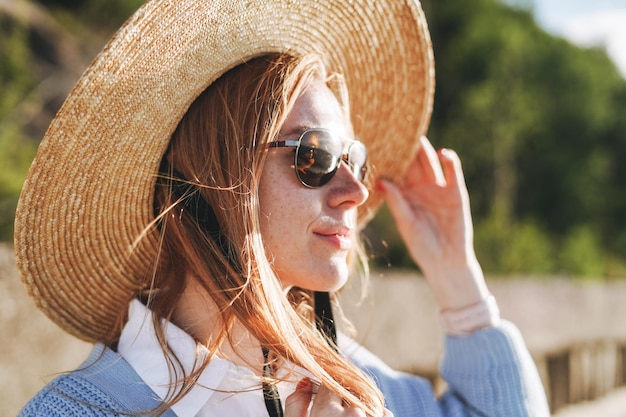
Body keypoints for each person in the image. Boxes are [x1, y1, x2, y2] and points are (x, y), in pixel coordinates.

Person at [14, 0, 549, 416]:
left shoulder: (353, 386)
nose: (355, 191)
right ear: (209, 177)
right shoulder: (78, 410)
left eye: (354, 160)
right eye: (313, 155)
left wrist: (457, 275)